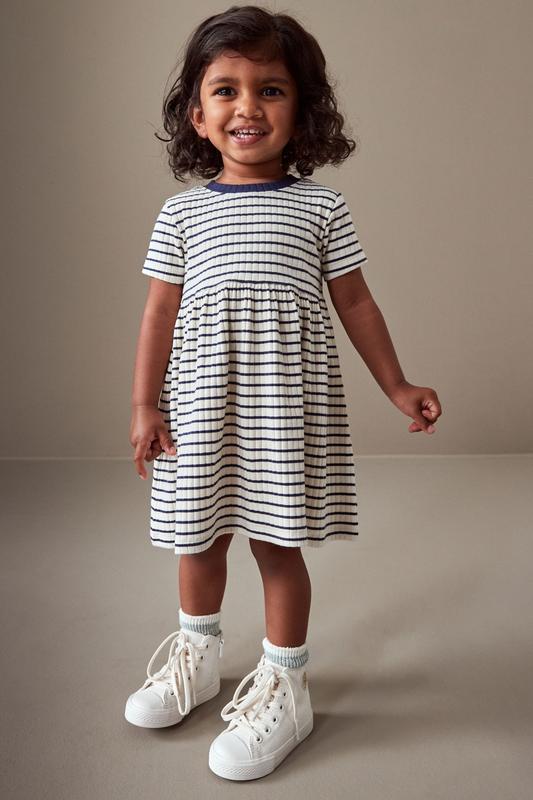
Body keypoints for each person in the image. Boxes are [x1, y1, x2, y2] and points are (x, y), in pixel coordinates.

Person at [125, 4, 442, 781]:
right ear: (196, 115)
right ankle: (198, 655)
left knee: (275, 543)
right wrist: (144, 404)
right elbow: (158, 311)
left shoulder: (320, 207)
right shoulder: (181, 213)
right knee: (197, 539)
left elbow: (355, 303)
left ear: (302, 111)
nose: (247, 107)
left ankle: (285, 683)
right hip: (200, 408)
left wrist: (396, 384)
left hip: (282, 414)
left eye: (270, 90)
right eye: (225, 90)